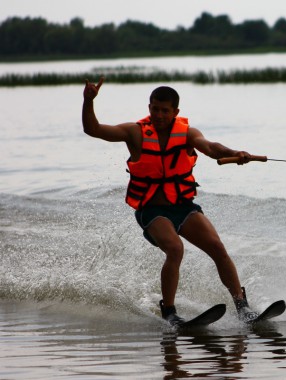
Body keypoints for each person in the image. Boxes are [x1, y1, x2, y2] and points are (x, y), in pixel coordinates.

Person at [82, 77, 258, 325]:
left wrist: (234, 153)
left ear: (175, 112)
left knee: (218, 248)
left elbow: (209, 147)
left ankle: (242, 306)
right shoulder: (135, 132)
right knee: (175, 249)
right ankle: (170, 312)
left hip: (183, 207)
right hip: (151, 210)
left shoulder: (187, 133)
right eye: (155, 109)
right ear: (149, 108)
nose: (159, 115)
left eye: (165, 111)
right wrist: (88, 101)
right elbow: (94, 129)